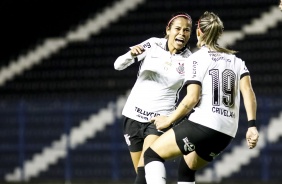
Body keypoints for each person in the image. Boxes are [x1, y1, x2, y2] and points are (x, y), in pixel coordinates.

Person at [144, 11, 260, 184]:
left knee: (152, 154)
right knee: (187, 168)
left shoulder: (196, 58)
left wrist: (169, 120)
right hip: (226, 133)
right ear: (219, 34)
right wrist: (251, 126)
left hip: (203, 124)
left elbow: (192, 98)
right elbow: (248, 92)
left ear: (199, 32)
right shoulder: (236, 61)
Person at [114, 12, 193, 184]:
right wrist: (131, 55)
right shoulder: (152, 44)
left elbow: (194, 94)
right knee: (143, 177)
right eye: (178, 28)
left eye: (187, 30)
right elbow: (117, 65)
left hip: (158, 121)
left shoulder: (190, 61)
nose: (182, 33)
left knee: (145, 172)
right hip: (132, 117)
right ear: (168, 30)